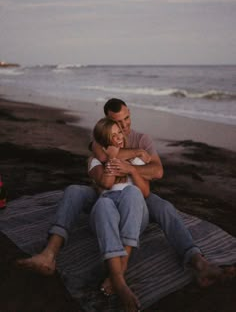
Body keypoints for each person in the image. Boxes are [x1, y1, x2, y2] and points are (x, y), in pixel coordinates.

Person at [17, 98, 232, 287]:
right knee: (74, 191)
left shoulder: (142, 139)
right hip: (104, 192)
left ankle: (199, 262)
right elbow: (101, 156)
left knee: (164, 207)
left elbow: (157, 171)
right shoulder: (101, 138)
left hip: (135, 193)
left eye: (127, 118)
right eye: (118, 123)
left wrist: (131, 167)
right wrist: (129, 154)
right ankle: (49, 254)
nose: (125, 126)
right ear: (108, 121)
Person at [89, 117, 150, 311]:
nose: (118, 139)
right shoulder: (95, 161)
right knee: (104, 203)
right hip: (106, 215)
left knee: (132, 191)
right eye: (112, 137)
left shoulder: (135, 160)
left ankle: (119, 270)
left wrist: (132, 169)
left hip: (134, 212)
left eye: (119, 134)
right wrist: (113, 158)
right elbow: (106, 184)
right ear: (104, 144)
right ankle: (120, 282)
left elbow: (145, 192)